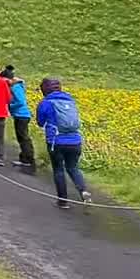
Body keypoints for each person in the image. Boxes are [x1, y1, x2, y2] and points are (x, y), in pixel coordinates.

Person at [36, 77, 91, 208]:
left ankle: (63, 201)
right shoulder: (70, 100)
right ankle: (83, 191)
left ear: (45, 89)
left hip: (56, 141)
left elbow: (40, 122)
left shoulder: (46, 103)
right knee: (73, 168)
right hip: (75, 141)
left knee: (58, 170)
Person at [4, 65, 35, 170]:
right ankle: (25, 157)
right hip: (20, 115)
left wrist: (10, 106)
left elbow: (20, 102)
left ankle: (28, 159)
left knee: (23, 137)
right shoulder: (15, 86)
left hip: (21, 115)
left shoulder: (15, 87)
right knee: (21, 137)